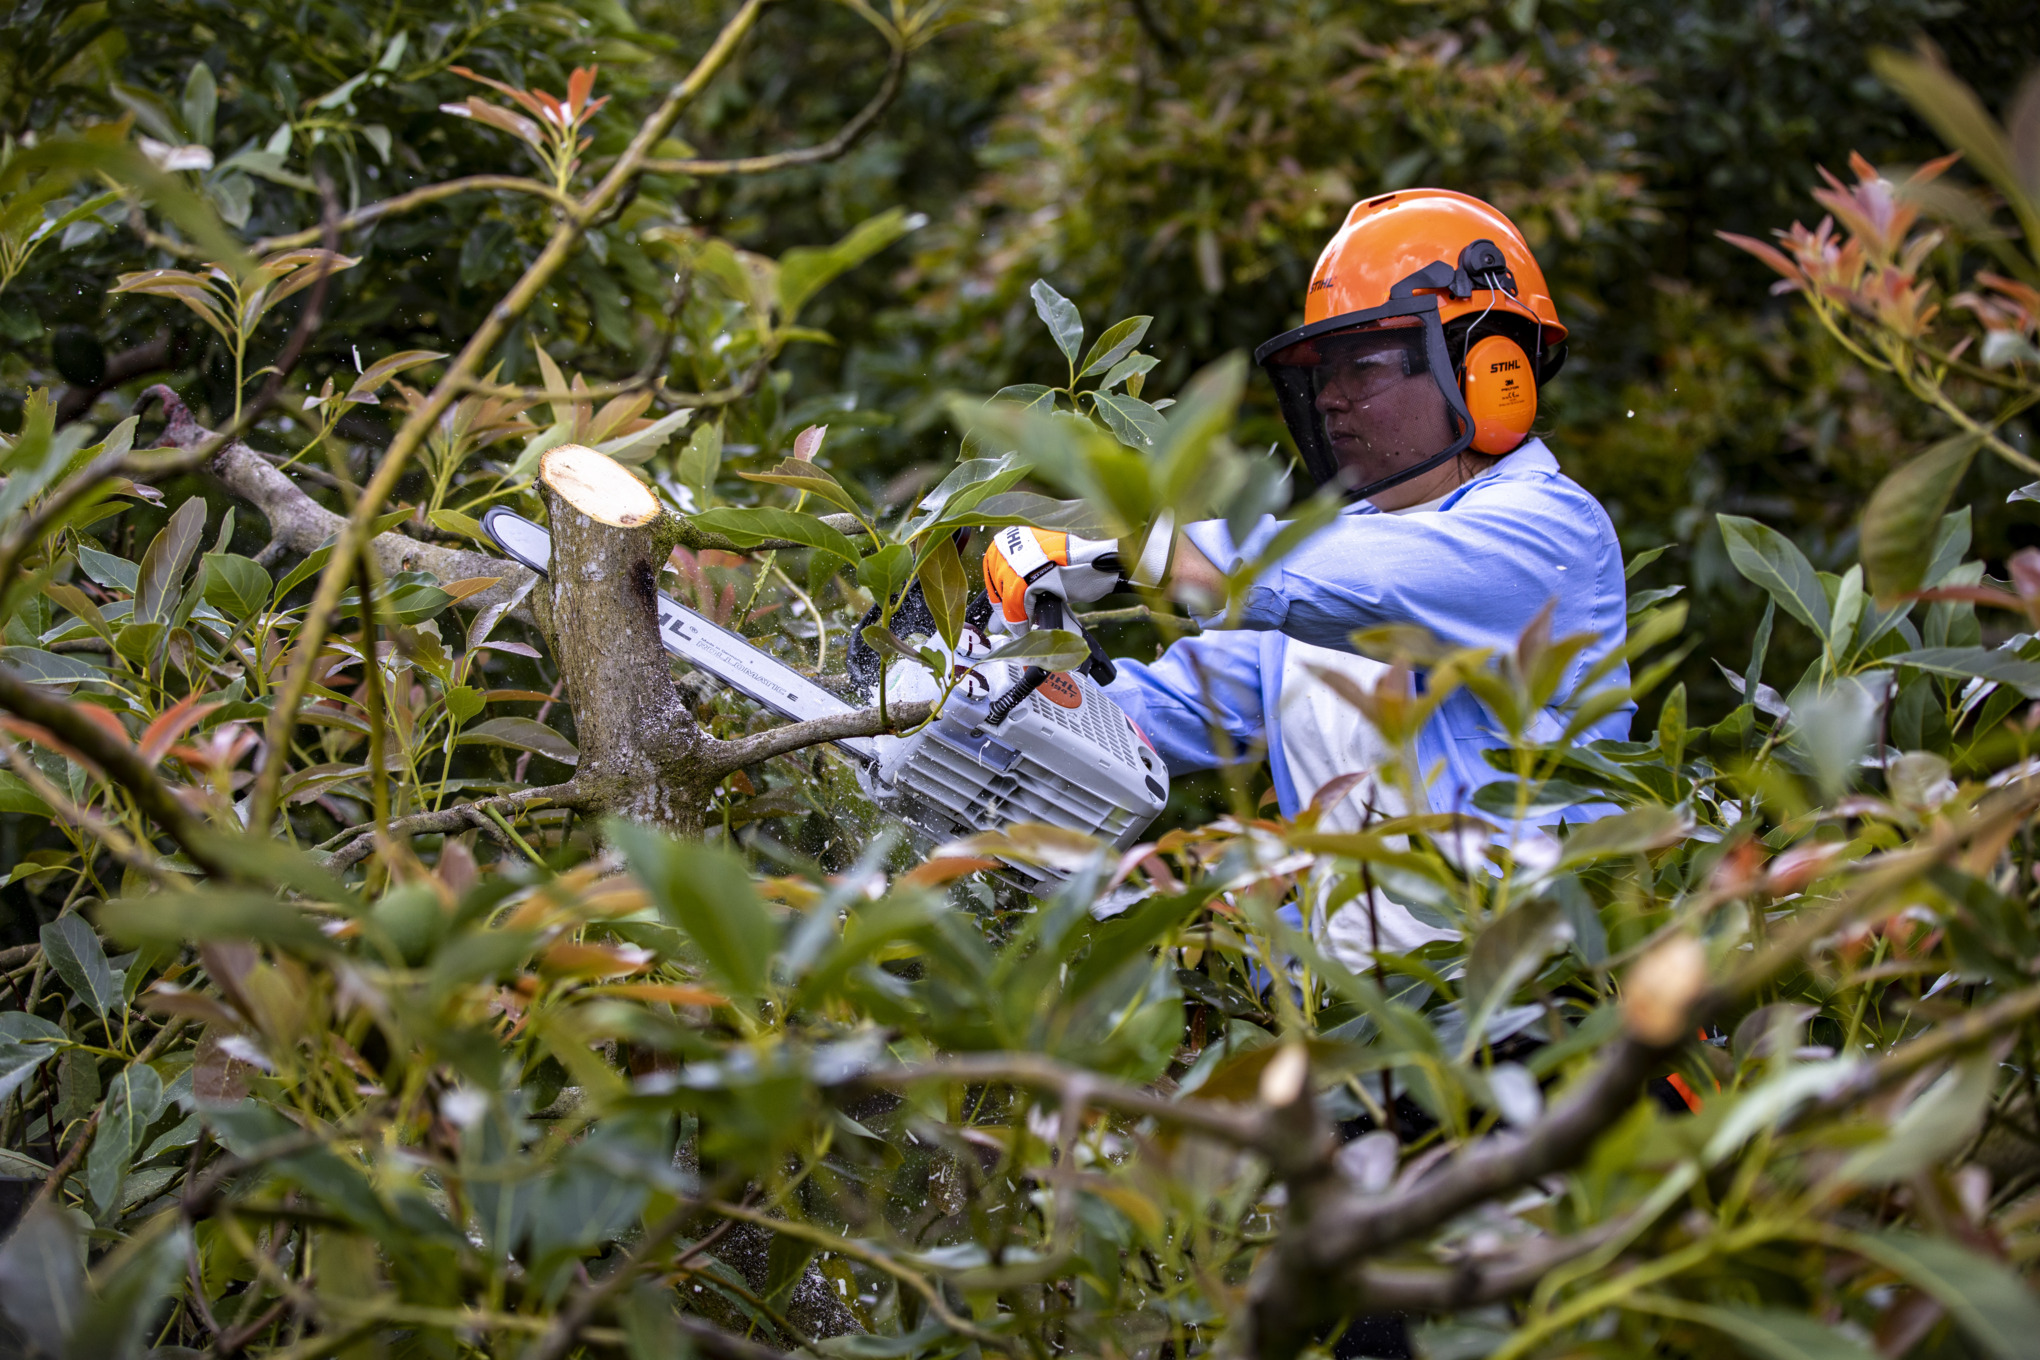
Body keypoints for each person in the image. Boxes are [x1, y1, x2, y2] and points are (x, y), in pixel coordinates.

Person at [982, 189, 1632, 969]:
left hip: (1536, 1018)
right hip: (1363, 1040)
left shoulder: (1546, 531)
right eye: (1322, 370)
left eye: (1364, 365)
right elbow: (1146, 719)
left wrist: (1127, 547)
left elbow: (1356, 581)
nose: (1329, 396)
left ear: (1491, 370)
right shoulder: (1323, 577)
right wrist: (981, 696)